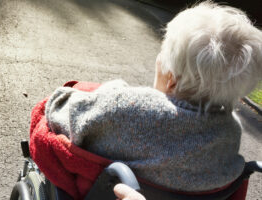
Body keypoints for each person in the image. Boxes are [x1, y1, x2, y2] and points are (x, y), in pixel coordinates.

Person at [45, 0, 262, 193]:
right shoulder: (230, 132)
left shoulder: (122, 108)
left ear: (172, 79)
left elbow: (58, 112)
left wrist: (105, 91)